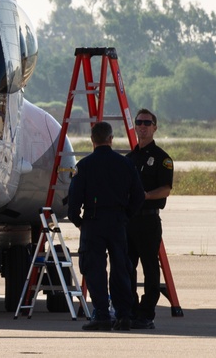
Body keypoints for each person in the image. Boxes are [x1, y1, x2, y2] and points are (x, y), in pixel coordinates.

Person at [68, 121, 144, 331]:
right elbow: (138, 196)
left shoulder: (84, 166)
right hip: (118, 222)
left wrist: (79, 222)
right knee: (121, 268)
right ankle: (124, 315)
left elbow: (73, 201)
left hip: (93, 222)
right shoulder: (126, 164)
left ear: (92, 140)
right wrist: (125, 216)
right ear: (111, 139)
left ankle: (102, 314)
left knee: (94, 270)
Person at [125, 109, 174, 330]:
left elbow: (166, 189)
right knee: (126, 267)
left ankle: (146, 313)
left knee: (150, 269)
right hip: (128, 221)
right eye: (139, 122)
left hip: (148, 221)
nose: (143, 126)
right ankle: (130, 309)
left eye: (147, 123)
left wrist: (146, 196)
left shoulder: (163, 159)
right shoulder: (129, 159)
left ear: (155, 127)